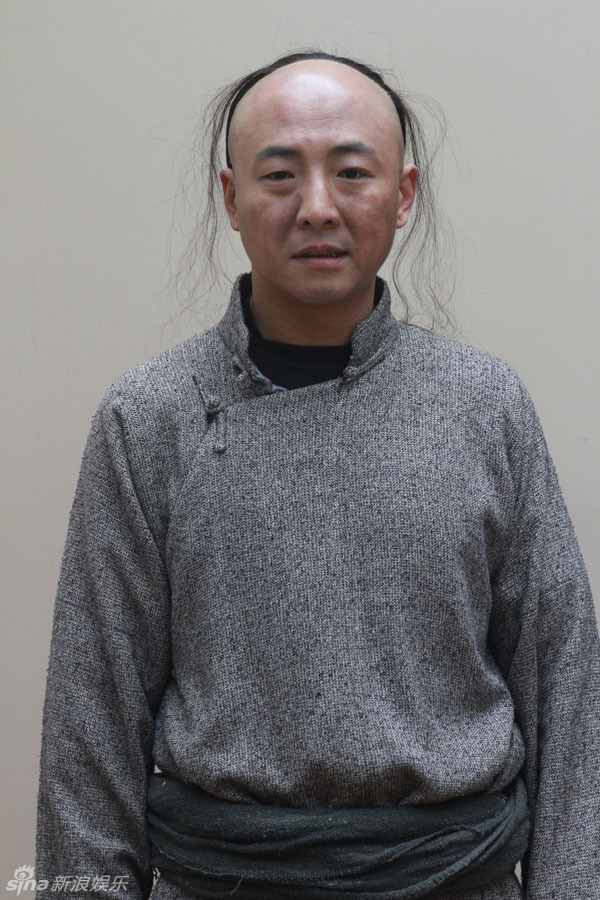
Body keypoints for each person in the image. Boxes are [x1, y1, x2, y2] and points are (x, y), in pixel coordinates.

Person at [35, 51, 600, 900]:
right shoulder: (148, 417)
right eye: (280, 174)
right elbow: (91, 720)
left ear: (403, 194)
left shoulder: (485, 406)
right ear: (231, 198)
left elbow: (566, 689)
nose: (318, 207)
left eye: (351, 171)